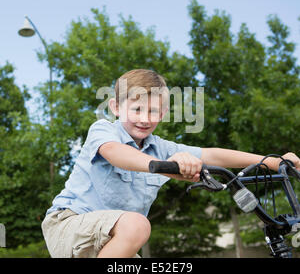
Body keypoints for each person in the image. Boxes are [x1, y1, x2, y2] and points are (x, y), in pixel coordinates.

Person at [41, 68, 300, 258]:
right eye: (137, 109)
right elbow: (115, 153)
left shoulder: (163, 147)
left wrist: (276, 163)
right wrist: (166, 166)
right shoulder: (103, 130)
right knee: (137, 224)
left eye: (153, 111)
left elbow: (214, 155)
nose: (144, 118)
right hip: (70, 225)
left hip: (115, 242)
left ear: (163, 113)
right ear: (116, 107)